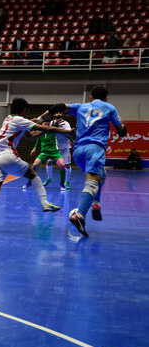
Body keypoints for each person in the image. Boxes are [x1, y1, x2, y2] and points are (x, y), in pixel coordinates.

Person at [36, 86, 127, 237]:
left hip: (78, 151)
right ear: (105, 99)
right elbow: (122, 132)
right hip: (94, 149)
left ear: (91, 97)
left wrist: (39, 119)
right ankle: (80, 215)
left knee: (101, 175)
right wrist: (123, 126)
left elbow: (57, 107)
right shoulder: (110, 108)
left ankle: (96, 204)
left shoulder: (80, 106)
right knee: (92, 181)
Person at [0, 98, 74, 229]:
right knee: (33, 174)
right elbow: (41, 128)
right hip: (7, 156)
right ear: (24, 110)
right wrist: (67, 131)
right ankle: (45, 203)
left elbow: (31, 136)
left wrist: (41, 128)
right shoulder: (20, 120)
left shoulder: (8, 119)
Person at [22, 115, 72, 191]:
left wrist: (72, 140)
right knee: (34, 166)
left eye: (48, 124)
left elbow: (64, 134)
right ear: (42, 125)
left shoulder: (52, 130)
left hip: (55, 152)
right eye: (45, 124)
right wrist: (35, 148)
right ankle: (29, 182)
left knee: (62, 165)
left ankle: (62, 184)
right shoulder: (39, 132)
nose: (47, 126)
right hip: (44, 153)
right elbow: (37, 138)